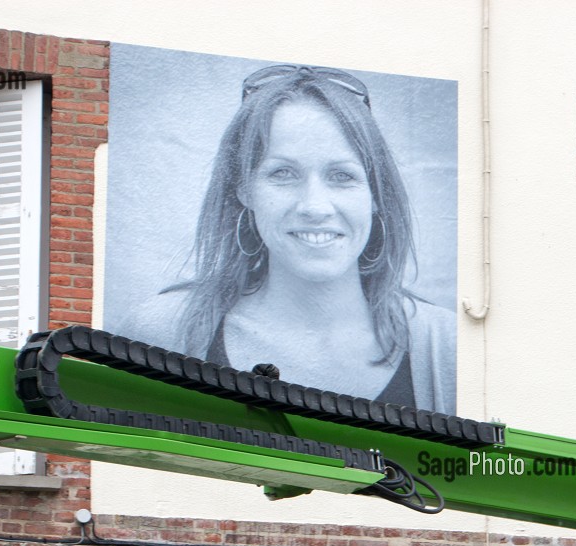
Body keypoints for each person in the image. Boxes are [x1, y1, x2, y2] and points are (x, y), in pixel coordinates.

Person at [163, 64, 455, 412]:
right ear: (244, 189)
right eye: (283, 173)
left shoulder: (448, 346)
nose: (314, 207)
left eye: (341, 175)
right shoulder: (162, 332)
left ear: (376, 194)